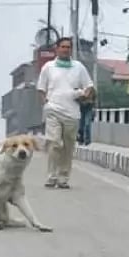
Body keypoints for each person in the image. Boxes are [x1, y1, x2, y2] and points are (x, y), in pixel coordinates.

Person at [37, 37, 94, 189]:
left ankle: (63, 178)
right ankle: (51, 176)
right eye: (62, 47)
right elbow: (41, 89)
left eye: (68, 47)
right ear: (57, 48)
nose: (65, 49)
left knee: (68, 147)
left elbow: (89, 86)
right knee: (54, 143)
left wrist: (84, 94)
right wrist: (46, 104)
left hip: (72, 113)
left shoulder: (78, 67)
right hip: (53, 110)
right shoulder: (48, 67)